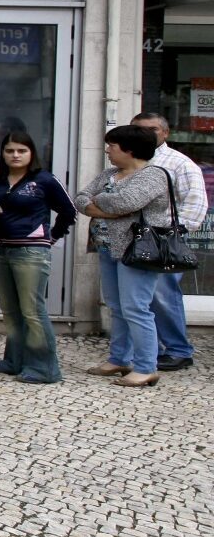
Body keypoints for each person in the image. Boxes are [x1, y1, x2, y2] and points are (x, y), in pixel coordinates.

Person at [75, 125, 174, 388]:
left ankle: (146, 367)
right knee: (116, 307)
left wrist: (100, 204)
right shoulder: (109, 174)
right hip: (107, 248)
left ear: (129, 149)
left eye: (112, 146)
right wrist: (107, 209)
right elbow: (81, 198)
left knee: (136, 308)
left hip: (137, 251)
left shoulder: (153, 176)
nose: (107, 150)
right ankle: (119, 358)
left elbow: (126, 203)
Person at [0, 131, 75, 384]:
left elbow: (69, 211)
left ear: (31, 153)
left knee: (32, 311)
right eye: (10, 150)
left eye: (21, 150)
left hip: (31, 251)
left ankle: (45, 369)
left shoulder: (44, 180)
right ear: (2, 153)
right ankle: (14, 360)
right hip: (0, 249)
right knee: (10, 310)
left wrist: (51, 237)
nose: (15, 155)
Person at [131, 112, 206, 372]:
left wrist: (173, 233)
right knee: (138, 298)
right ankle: (151, 349)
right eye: (138, 129)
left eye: (151, 129)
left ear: (165, 133)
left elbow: (196, 203)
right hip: (132, 239)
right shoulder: (128, 160)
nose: (145, 134)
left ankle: (178, 350)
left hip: (162, 239)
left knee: (163, 295)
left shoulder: (178, 163)